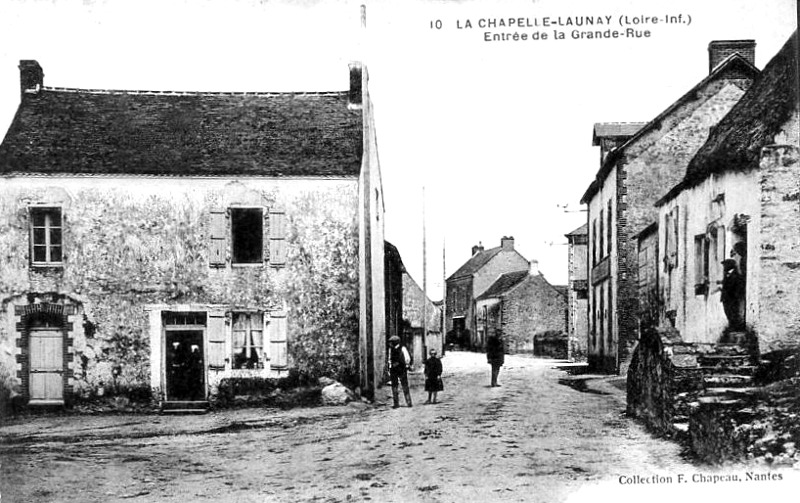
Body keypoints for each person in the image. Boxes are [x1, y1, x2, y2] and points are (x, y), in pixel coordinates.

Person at [387, 335, 412, 408]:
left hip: (401, 369)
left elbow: (407, 358)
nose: (390, 344)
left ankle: (409, 402)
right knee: (394, 386)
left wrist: (406, 365)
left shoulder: (403, 348)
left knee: (405, 385)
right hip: (394, 370)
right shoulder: (390, 349)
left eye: (391, 342)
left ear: (395, 342)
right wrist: (390, 368)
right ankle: (396, 403)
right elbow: (389, 359)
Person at [721, 258, 745, 330]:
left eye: (725, 265)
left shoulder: (735, 275)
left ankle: (734, 327)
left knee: (732, 313)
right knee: (728, 312)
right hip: (726, 298)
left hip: (732, 299)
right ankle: (732, 326)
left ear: (730, 266)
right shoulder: (728, 274)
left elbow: (735, 288)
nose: (724, 267)